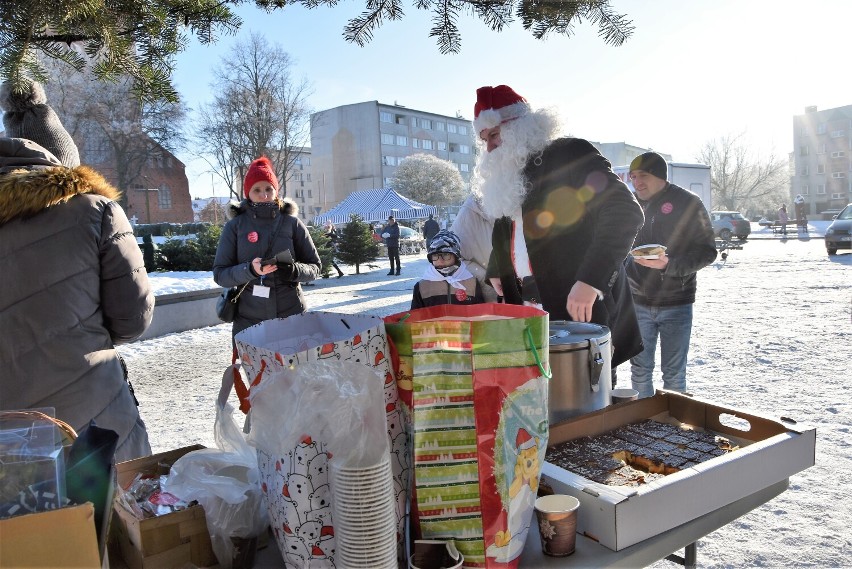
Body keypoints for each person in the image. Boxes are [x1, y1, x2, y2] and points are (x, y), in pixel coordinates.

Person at [0, 91, 154, 462]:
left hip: (7, 441)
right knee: (113, 516)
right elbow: (133, 319)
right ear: (65, 165)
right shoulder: (95, 211)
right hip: (93, 422)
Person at [471, 84, 644, 370]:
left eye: (494, 134)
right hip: (528, 311)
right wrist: (497, 266)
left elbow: (623, 212)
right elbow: (508, 225)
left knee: (585, 403)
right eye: (483, 139)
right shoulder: (509, 173)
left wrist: (591, 280)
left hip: (579, 309)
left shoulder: (569, 154)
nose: (488, 146)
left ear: (520, 127)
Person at [625, 152, 717, 398]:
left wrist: (669, 265)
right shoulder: (631, 205)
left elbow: (708, 251)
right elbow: (620, 249)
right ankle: (643, 425)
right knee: (640, 370)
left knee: (674, 373)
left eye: (643, 176)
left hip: (677, 302)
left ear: (660, 176)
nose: (637, 182)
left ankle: (674, 427)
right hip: (638, 302)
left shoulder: (688, 203)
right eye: (633, 177)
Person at [213, 156, 321, 340]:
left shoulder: (292, 223)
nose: (264, 195)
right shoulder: (235, 227)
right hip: (250, 321)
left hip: (291, 316)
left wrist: (295, 270)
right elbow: (220, 274)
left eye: (268, 189)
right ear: (248, 193)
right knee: (258, 369)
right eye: (257, 190)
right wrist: (250, 270)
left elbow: (315, 267)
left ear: (275, 191)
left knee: (293, 368)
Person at [411, 230, 485, 309]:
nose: (440, 260)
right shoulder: (422, 286)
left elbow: (480, 313)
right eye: (435, 255)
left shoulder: (471, 283)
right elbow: (415, 317)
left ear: (456, 256)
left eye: (446, 254)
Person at [450, 194, 499, 302]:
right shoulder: (467, 215)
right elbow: (454, 260)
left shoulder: (514, 206)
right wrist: (486, 278)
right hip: (489, 296)